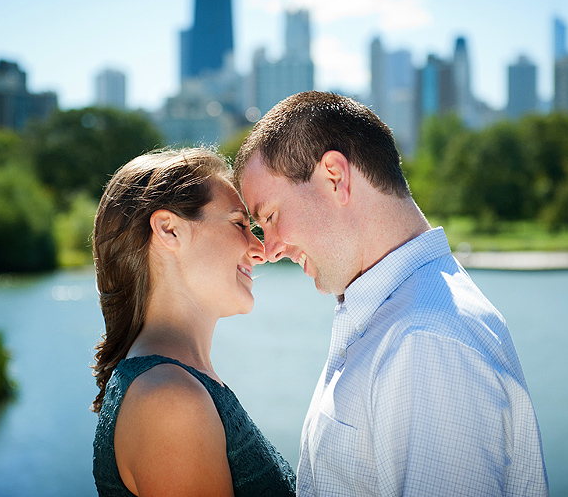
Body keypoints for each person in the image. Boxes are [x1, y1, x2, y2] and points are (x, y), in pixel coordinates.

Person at [234, 92, 549, 496]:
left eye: (271, 216)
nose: (271, 248)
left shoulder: (423, 340)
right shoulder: (398, 318)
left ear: (335, 176)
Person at [91, 147, 296, 497]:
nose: (259, 249)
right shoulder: (169, 401)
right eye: (238, 224)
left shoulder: (176, 383)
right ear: (169, 230)